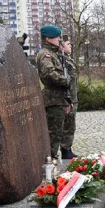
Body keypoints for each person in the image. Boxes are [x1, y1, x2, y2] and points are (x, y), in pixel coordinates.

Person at [35, 25, 75, 159]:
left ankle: (52, 161)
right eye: (57, 37)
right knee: (53, 135)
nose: (59, 39)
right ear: (48, 38)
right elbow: (49, 74)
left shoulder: (55, 54)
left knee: (58, 133)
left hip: (59, 99)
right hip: (53, 101)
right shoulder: (45, 54)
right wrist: (66, 80)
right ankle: (49, 163)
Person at [60, 37, 79, 158]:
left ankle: (68, 148)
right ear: (61, 46)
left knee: (71, 125)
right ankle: (65, 151)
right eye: (68, 44)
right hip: (67, 99)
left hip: (73, 97)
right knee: (67, 125)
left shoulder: (68, 59)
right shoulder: (62, 61)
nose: (70, 45)